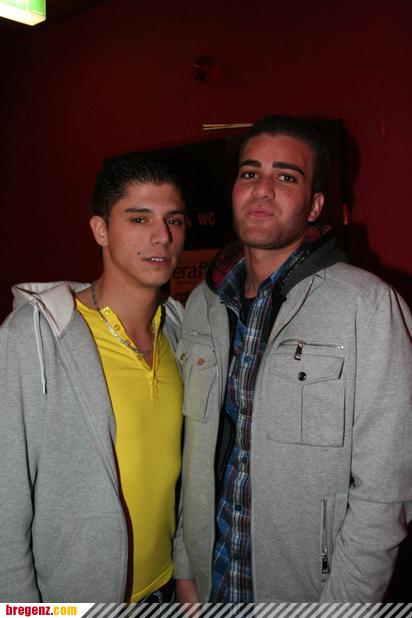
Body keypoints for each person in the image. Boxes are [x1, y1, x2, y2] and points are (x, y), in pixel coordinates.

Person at [173, 115, 412, 603]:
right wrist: (186, 567)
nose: (262, 189)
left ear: (314, 205)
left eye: (286, 176)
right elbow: (192, 454)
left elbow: (387, 492)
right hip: (210, 584)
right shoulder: (202, 304)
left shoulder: (368, 307)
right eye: (249, 173)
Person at [0, 152, 186, 602]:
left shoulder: (181, 332)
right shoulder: (36, 336)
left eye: (174, 221)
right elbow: (5, 502)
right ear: (100, 229)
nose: (162, 236)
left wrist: (187, 575)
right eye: (139, 219)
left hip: (166, 590)